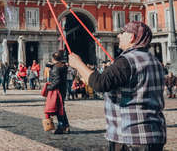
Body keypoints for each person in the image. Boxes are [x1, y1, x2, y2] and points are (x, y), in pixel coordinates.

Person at [69, 21, 166, 150]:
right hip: (154, 133)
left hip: (130, 136)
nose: (118, 36)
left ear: (131, 37)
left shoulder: (127, 61)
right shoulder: (154, 61)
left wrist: (78, 64)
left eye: (122, 33)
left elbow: (100, 83)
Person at [46, 51, 69, 134]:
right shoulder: (62, 66)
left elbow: (57, 80)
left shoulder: (56, 67)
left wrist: (49, 87)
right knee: (61, 108)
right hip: (62, 89)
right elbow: (47, 64)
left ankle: (61, 126)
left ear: (53, 58)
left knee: (58, 109)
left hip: (57, 90)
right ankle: (66, 126)